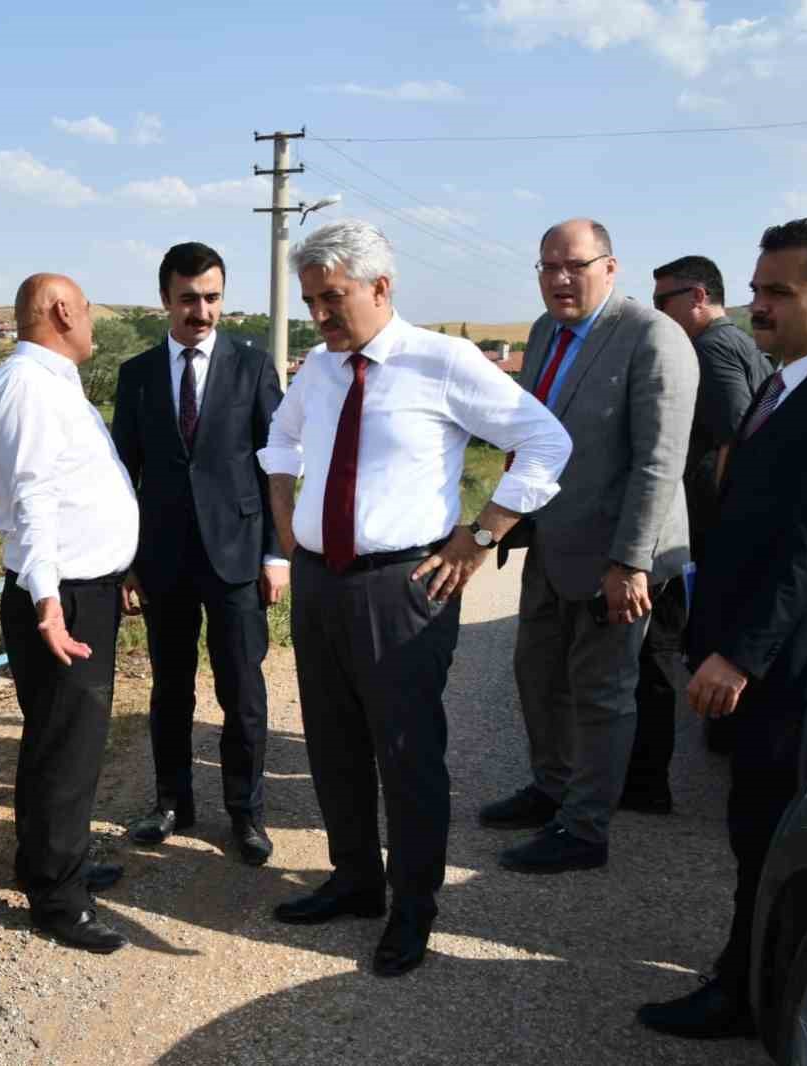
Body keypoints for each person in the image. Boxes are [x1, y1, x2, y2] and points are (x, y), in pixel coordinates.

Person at [259, 219, 570, 976]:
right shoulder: (321, 369)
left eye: (332, 299)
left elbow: (546, 440)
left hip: (406, 589)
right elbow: (280, 441)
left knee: (406, 754)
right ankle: (355, 880)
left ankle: (413, 906)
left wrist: (484, 534)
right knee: (333, 746)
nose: (321, 316)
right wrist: (286, 529)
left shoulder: (443, 361)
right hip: (323, 585)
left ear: (380, 287)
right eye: (310, 302)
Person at [637, 218, 807, 1039]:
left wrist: (738, 657)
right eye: (757, 288)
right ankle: (746, 974)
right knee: (751, 831)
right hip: (754, 657)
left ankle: (747, 996)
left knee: (766, 833)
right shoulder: (787, 382)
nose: (758, 306)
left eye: (779, 291)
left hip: (783, 671)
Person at [484, 219, 697, 874]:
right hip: (550, 538)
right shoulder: (546, 333)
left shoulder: (652, 338)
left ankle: (584, 827)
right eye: (548, 266)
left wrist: (630, 562)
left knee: (602, 690)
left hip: (617, 555)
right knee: (536, 671)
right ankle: (551, 788)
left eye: (574, 265)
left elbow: (658, 464)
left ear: (611, 266)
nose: (559, 278)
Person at [0, 272, 140, 954]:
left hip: (84, 589)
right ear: (62, 310)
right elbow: (33, 500)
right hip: (61, 597)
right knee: (62, 747)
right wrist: (48, 603)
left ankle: (57, 863)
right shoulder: (28, 386)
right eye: (90, 309)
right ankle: (56, 899)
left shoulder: (52, 380)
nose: (95, 321)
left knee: (70, 741)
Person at [111, 242, 284, 867]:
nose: (202, 311)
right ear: (165, 299)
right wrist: (126, 562)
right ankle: (171, 804)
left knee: (243, 693)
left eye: (212, 298)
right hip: (162, 560)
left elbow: (277, 469)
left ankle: (247, 815)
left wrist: (276, 555)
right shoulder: (136, 375)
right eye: (189, 299)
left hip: (238, 558)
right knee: (169, 689)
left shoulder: (253, 366)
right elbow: (120, 475)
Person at [649, 256, 772, 761]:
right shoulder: (735, 341)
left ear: (699, 296)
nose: (659, 313)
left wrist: (723, 520)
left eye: (664, 302)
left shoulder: (710, 348)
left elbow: (737, 435)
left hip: (716, 517)